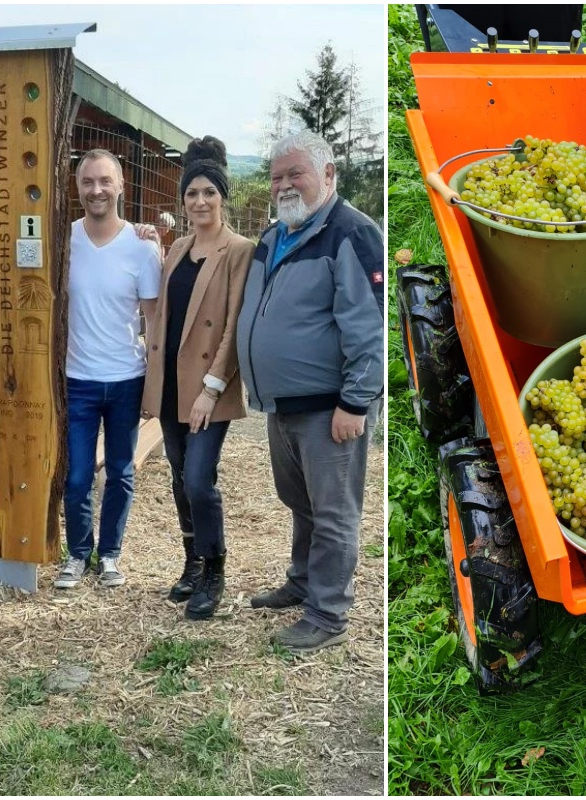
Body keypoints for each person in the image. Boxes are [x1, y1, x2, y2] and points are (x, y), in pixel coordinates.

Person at [236, 131, 384, 654]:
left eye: (295, 173)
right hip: (283, 406)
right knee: (300, 501)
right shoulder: (276, 236)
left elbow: (368, 328)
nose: (283, 185)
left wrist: (355, 401)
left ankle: (327, 612)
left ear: (328, 174)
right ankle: (302, 582)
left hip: (329, 409)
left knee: (335, 511)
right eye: (277, 177)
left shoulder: (352, 234)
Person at [140, 136, 255, 620]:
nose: (200, 201)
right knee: (178, 478)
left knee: (199, 480)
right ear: (183, 200)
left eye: (209, 192)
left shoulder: (239, 251)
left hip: (208, 387)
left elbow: (232, 324)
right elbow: (165, 315)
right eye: (192, 193)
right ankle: (190, 562)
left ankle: (215, 570)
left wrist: (212, 388)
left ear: (223, 197)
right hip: (170, 383)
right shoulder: (178, 248)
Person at [55, 149, 161, 589]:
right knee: (77, 474)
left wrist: (155, 383)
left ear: (121, 186)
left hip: (125, 379)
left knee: (120, 470)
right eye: (87, 182)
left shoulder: (142, 247)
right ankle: (78, 553)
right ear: (77, 188)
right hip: (76, 379)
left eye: (104, 181)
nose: (96, 190)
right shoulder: (64, 241)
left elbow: (154, 320)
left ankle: (111, 554)